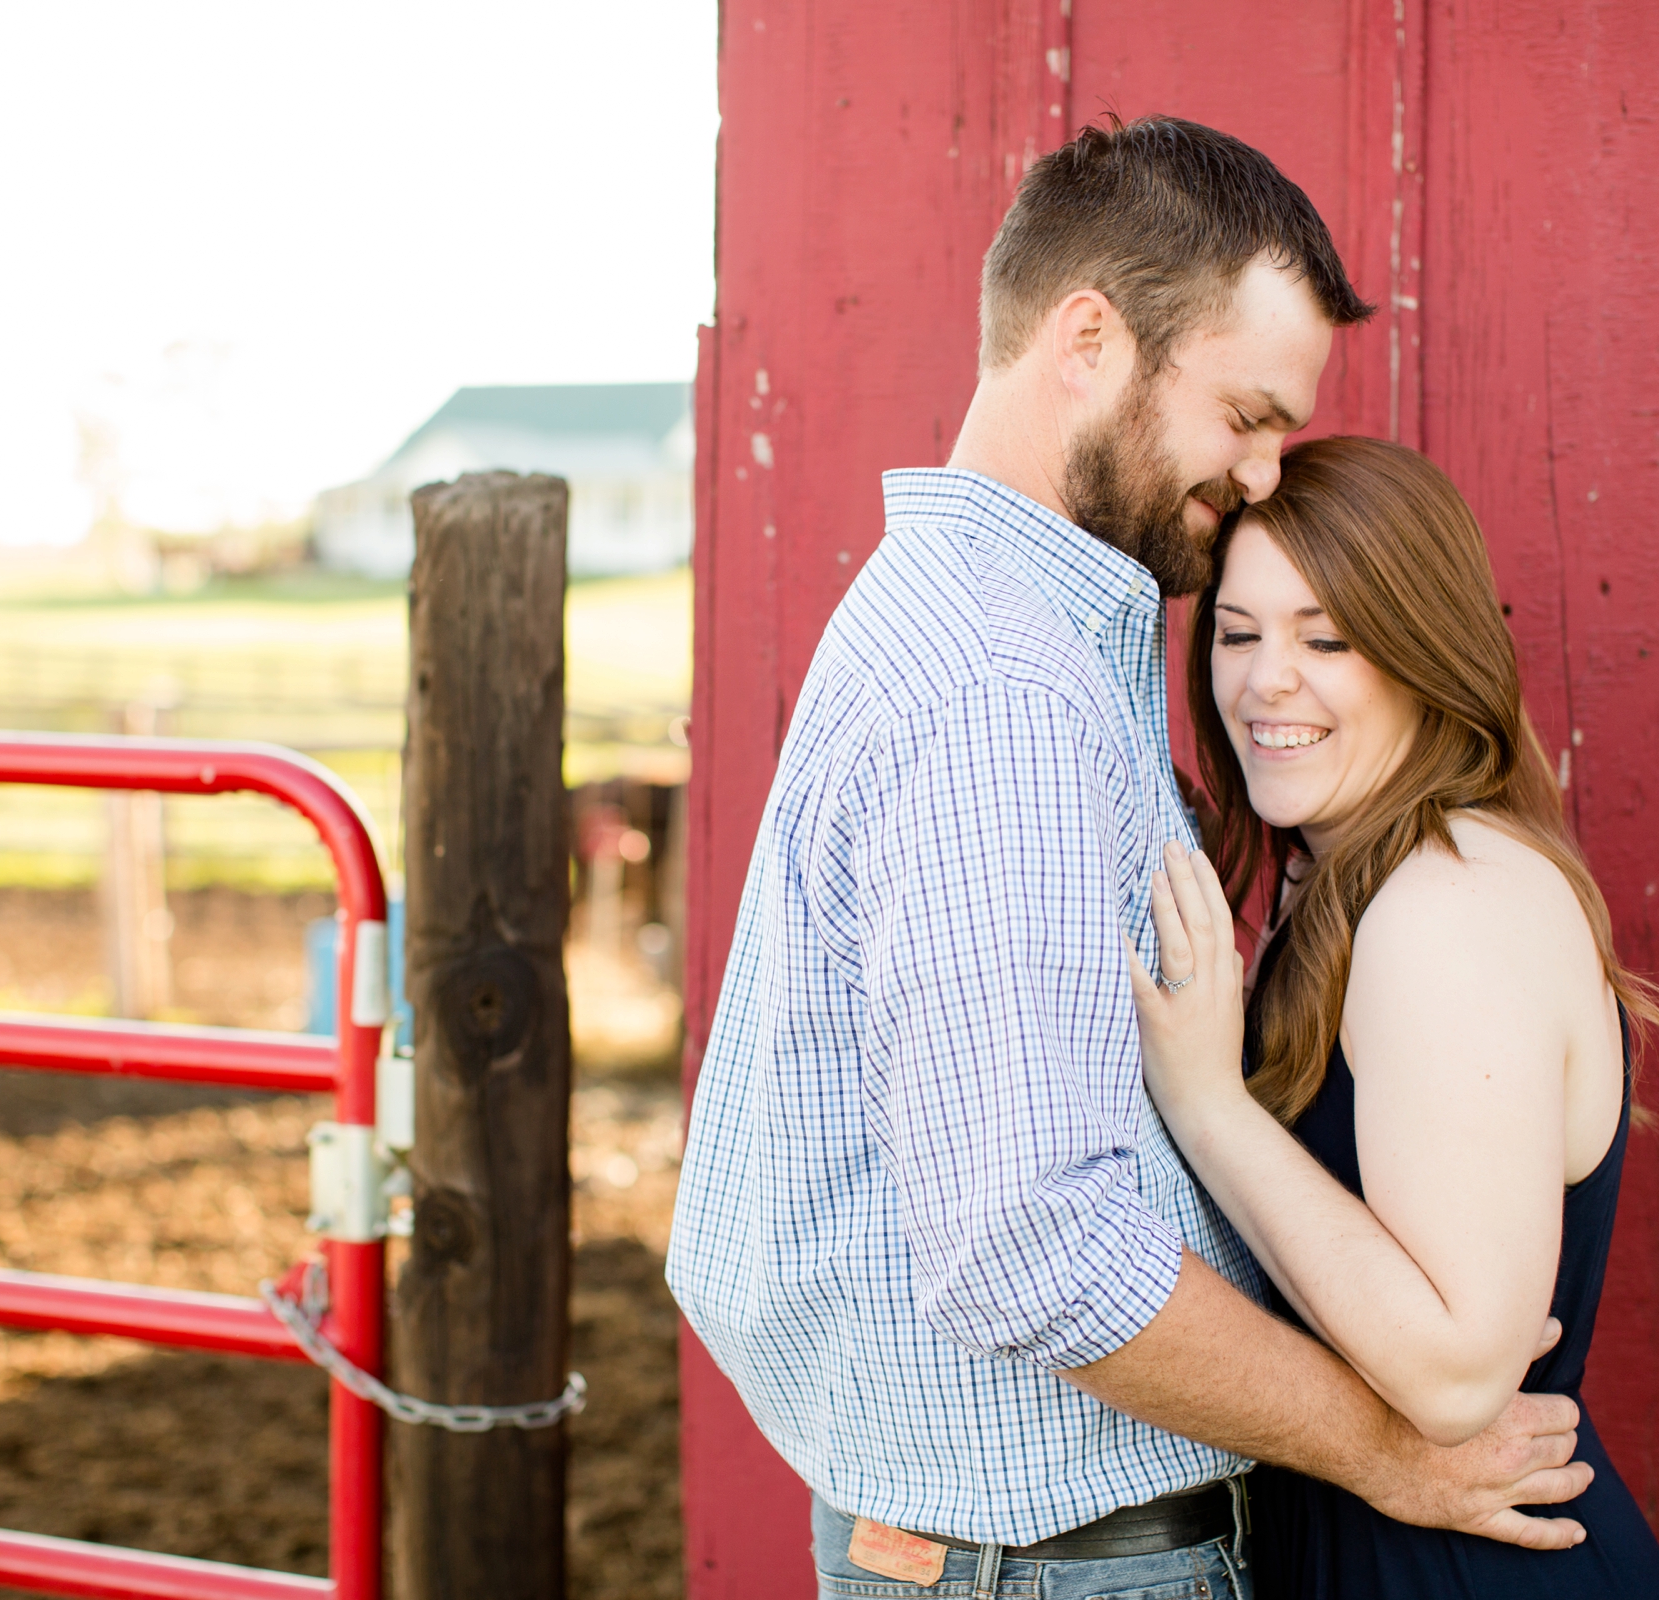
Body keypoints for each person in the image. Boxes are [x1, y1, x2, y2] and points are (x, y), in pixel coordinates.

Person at [668, 116, 1596, 1600]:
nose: (1262, 466)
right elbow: (1030, 1246)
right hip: (1053, 1571)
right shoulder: (1001, 688)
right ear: (1090, 340)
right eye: (1243, 412)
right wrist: (1377, 1451)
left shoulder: (974, 627)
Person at [1129, 435, 1659, 1596]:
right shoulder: (1338, 888)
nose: (1267, 679)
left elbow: (1452, 1375)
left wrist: (1210, 1105)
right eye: (1239, 633)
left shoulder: (1448, 901)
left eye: (1327, 637)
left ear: (1426, 652)